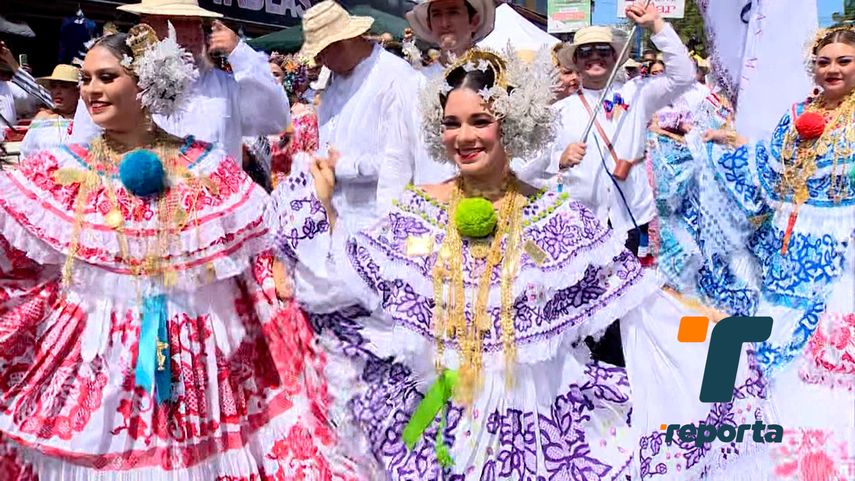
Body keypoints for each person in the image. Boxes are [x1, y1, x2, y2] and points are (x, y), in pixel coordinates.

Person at [265, 47, 770, 481]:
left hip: (539, 421)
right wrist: (322, 207)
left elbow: (638, 302)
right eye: (452, 123)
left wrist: (714, 333)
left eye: (481, 120)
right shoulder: (418, 209)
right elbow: (342, 281)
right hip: (445, 416)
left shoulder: (558, 218)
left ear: (514, 124)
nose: (464, 137)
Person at [0, 26, 367, 480]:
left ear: (148, 86)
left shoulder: (207, 167)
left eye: (107, 77)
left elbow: (264, 246)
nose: (91, 90)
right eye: (87, 78)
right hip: (96, 359)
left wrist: (314, 208)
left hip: (195, 354)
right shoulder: (60, 167)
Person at [688, 26, 855, 477]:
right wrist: (721, 153)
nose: (833, 69)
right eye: (824, 62)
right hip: (780, 252)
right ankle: (761, 446)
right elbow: (770, 166)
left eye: (843, 60)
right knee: (764, 345)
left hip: (840, 259)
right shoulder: (798, 111)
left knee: (823, 361)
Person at [547, 4, 694, 367]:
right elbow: (529, 168)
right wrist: (558, 161)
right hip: (580, 225)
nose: (594, 58)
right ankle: (584, 371)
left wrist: (656, 25)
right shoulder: (557, 113)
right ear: (576, 63)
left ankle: (623, 370)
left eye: (602, 51)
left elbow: (684, 75)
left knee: (626, 301)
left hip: (629, 220)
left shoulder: (637, 93)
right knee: (582, 302)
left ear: (614, 57)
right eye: (586, 53)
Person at [70, 0, 290, 162]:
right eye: (174, 22)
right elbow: (84, 142)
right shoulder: (121, 84)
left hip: (211, 211)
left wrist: (241, 53)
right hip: (137, 211)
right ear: (147, 27)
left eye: (194, 23)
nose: (189, 33)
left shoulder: (227, 88)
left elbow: (275, 119)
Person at [300, 0, 420, 234]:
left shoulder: (395, 79)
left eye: (324, 51)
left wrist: (342, 166)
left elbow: (399, 163)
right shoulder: (334, 82)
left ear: (346, 40)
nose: (321, 60)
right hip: (335, 220)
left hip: (374, 225)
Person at [20, 64, 80, 157]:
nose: (57, 91)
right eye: (54, 86)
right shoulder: (43, 118)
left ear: (78, 91)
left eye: (64, 86)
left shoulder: (89, 119)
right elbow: (26, 152)